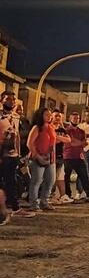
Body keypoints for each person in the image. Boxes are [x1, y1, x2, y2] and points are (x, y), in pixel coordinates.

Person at [0, 90, 35, 218]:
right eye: (8, 99)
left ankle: (15, 208)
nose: (11, 102)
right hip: (2, 154)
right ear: (1, 100)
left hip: (13, 155)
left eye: (13, 100)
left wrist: (20, 154)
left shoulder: (16, 117)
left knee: (11, 182)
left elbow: (17, 136)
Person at [27, 107, 57, 211]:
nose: (49, 117)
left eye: (50, 115)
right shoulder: (37, 128)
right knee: (36, 181)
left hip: (50, 158)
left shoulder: (51, 127)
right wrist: (38, 156)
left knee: (50, 180)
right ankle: (34, 204)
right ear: (41, 116)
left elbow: (53, 142)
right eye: (46, 115)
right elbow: (30, 143)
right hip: (37, 158)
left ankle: (44, 201)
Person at [63, 111, 89, 203]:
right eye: (74, 118)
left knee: (84, 176)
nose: (76, 120)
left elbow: (83, 144)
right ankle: (67, 195)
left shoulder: (81, 131)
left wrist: (79, 143)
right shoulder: (66, 130)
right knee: (66, 177)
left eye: (78, 118)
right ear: (70, 119)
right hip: (68, 156)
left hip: (79, 156)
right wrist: (80, 143)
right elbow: (70, 142)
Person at [51, 110, 73, 204]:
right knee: (51, 177)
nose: (58, 118)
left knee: (60, 177)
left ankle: (63, 195)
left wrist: (57, 137)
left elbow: (68, 140)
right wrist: (59, 139)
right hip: (51, 155)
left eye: (59, 116)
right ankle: (50, 196)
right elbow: (52, 141)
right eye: (56, 116)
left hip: (60, 155)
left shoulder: (62, 129)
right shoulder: (49, 127)